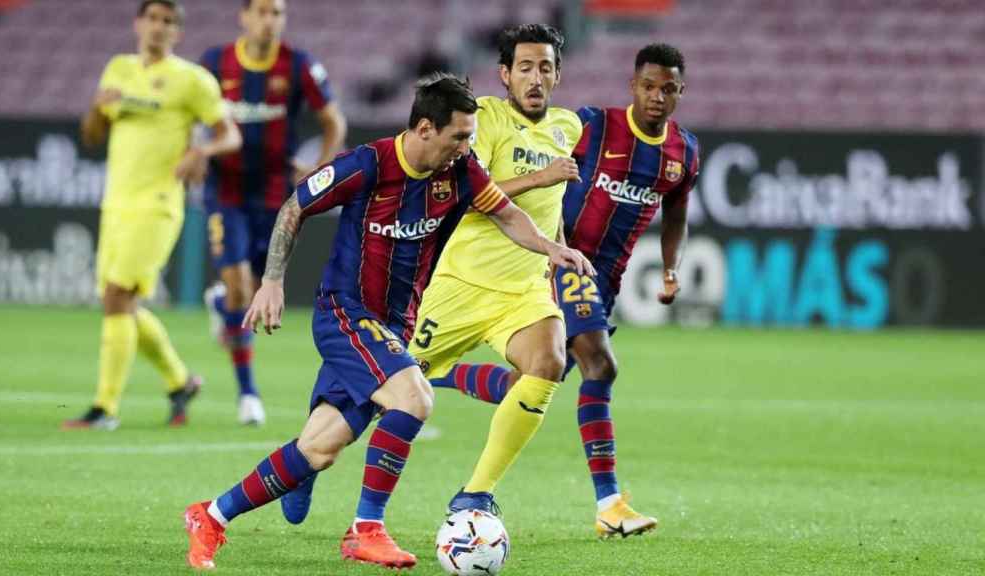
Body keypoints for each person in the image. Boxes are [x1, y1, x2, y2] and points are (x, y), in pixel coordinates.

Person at [182, 73, 593, 570]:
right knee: (414, 397)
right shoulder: (368, 165)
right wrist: (271, 281)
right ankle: (366, 529)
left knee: (320, 447)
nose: (468, 147)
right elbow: (295, 207)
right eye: (459, 136)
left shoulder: (461, 172)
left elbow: (506, 215)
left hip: (395, 326)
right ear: (424, 128)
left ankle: (211, 515)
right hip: (345, 313)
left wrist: (553, 247)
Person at [433, 43, 700, 538]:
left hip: (607, 281)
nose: (657, 97)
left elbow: (677, 215)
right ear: (632, 86)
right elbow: (532, 158)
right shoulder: (592, 126)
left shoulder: (683, 152)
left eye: (668, 89)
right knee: (601, 364)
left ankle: (435, 374)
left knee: (534, 382)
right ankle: (611, 504)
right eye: (648, 86)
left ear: (681, 92)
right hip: (565, 261)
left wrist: (670, 268)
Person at [406, 24, 583, 515]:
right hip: (460, 283)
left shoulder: (568, 127)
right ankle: (307, 464)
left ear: (557, 76)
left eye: (545, 68)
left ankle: (476, 493)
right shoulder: (484, 117)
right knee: (376, 393)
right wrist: (541, 174)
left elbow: (552, 207)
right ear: (504, 74)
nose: (535, 78)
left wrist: (558, 251)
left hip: (522, 289)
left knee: (548, 362)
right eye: (524, 67)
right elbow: (467, 196)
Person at [63, 0, 241, 431]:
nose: (159, 28)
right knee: (118, 300)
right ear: (138, 23)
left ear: (177, 32)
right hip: (116, 203)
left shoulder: (192, 81)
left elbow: (229, 133)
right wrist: (95, 108)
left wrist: (201, 150)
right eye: (153, 19)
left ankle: (105, 408)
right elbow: (92, 134)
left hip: (158, 204)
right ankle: (180, 382)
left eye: (168, 22)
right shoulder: (119, 69)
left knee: (118, 296)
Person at [200, 0, 347, 426]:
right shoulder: (214, 63)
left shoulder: (299, 65)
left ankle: (222, 303)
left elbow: (333, 121)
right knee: (243, 288)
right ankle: (248, 392)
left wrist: (322, 163)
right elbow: (191, 114)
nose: (270, 21)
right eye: (262, 11)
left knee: (247, 290)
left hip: (276, 197)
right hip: (225, 192)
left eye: (277, 13)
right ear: (244, 16)